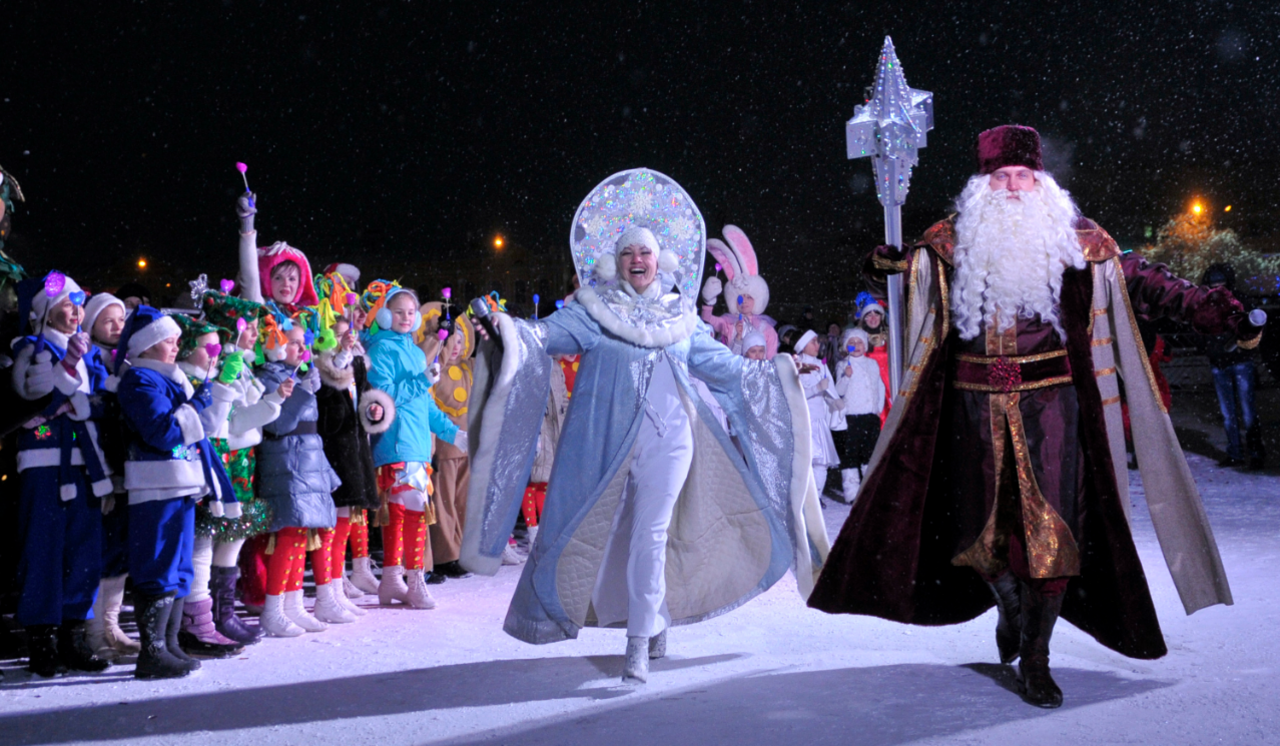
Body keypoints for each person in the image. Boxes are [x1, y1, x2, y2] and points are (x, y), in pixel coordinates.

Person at [808, 125, 1264, 708]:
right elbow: (893, 275)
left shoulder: (1078, 239)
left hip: (1053, 406)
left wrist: (1216, 308)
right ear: (983, 185)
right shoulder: (949, 241)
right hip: (969, 408)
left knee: (1052, 533)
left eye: (1024, 176)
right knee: (979, 534)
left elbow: (1147, 281)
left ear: (1042, 180)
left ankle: (1037, 658)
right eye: (1001, 178)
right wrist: (879, 265)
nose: (1014, 188)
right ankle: (1011, 609)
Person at [461, 168, 827, 684]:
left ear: (662, 261)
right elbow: (541, 337)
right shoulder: (592, 311)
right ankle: (651, 618)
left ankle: (638, 641)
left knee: (652, 535)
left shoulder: (683, 317)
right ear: (616, 261)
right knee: (608, 533)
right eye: (629, 251)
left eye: (647, 252)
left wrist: (780, 369)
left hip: (672, 441)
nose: (638, 259)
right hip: (606, 442)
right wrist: (503, 326)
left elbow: (724, 368)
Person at [115, 306, 238, 679]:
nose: (175, 346)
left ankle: (168, 645)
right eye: (168, 340)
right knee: (159, 567)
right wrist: (196, 403)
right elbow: (163, 432)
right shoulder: (139, 381)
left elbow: (202, 430)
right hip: (156, 487)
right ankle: (152, 652)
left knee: (179, 568)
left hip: (181, 484)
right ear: (148, 345)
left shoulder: (172, 380)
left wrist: (213, 393)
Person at [10, 272, 114, 676]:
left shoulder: (86, 355)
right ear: (45, 310)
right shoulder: (29, 350)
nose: (74, 311)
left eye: (78, 304)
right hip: (45, 466)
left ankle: (73, 636)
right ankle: (42, 641)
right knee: (44, 551)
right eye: (66, 304)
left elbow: (93, 406)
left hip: (85, 466)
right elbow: (29, 405)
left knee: (84, 554)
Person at [365, 285, 466, 610]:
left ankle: (394, 579)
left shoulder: (410, 348)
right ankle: (413, 579)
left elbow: (426, 407)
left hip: (417, 447)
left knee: (406, 512)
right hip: (397, 444)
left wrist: (454, 434)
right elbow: (385, 395)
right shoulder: (381, 350)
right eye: (399, 312)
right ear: (384, 314)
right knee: (413, 512)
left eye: (411, 312)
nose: (406, 318)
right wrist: (422, 380)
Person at [314, 284, 387, 618]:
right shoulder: (322, 371)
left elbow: (366, 396)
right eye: (339, 336)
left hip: (353, 450)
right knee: (331, 524)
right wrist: (340, 362)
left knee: (343, 521)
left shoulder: (356, 366)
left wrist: (374, 409)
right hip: (333, 452)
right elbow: (327, 410)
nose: (347, 341)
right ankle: (326, 591)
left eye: (349, 335)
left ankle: (336, 583)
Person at [80, 292, 141, 662]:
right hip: (99, 467)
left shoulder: (130, 362)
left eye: (122, 319)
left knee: (119, 551)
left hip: (127, 468)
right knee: (98, 551)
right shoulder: (89, 363)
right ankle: (92, 632)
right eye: (109, 320)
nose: (117, 326)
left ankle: (112, 624)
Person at [422, 302, 476, 580]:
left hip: (467, 446)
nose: (456, 346)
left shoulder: (470, 369)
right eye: (451, 340)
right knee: (443, 503)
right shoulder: (434, 369)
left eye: (461, 339)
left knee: (463, 501)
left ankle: (464, 550)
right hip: (443, 448)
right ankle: (445, 554)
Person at [1200, 263, 1265, 469]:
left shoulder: (1240, 301)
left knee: (1247, 413)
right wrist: (1210, 348)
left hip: (1239, 362)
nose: (1217, 286)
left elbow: (1253, 329)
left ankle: (1254, 454)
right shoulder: (1205, 304)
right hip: (1220, 364)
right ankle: (1236, 453)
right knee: (1229, 414)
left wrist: (1237, 347)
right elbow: (1198, 330)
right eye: (1214, 283)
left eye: (1220, 282)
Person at [700, 225, 779, 358]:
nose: (745, 302)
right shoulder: (728, 324)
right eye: (740, 297)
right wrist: (709, 301)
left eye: (749, 297)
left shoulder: (767, 330)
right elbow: (706, 320)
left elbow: (771, 360)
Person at [832, 328, 885, 502]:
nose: (856, 346)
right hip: (851, 417)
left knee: (869, 452)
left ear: (865, 344)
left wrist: (877, 408)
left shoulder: (872, 364)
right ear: (846, 346)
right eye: (852, 343)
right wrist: (846, 377)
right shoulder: (843, 365)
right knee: (851, 453)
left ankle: (869, 488)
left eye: (860, 342)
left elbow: (879, 387)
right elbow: (838, 391)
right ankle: (852, 491)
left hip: (870, 416)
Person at [794, 329, 841, 499]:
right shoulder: (799, 365)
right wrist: (817, 388)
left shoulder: (821, 365)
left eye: (817, 341)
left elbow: (827, 391)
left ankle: (816, 498)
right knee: (808, 460)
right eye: (812, 342)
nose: (817, 345)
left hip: (819, 421)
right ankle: (806, 499)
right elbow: (796, 395)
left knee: (821, 463)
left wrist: (833, 401)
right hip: (805, 421)